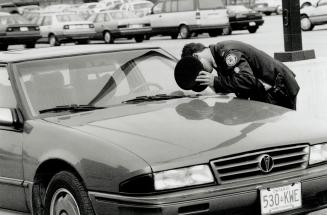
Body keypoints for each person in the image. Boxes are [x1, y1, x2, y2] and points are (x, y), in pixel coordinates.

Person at [177, 40, 300, 110]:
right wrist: (216, 86)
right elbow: (236, 84)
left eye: (199, 68)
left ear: (196, 56)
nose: (202, 72)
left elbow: (247, 80)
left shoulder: (227, 53)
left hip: (280, 89)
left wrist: (216, 81)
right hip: (269, 92)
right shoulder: (218, 59)